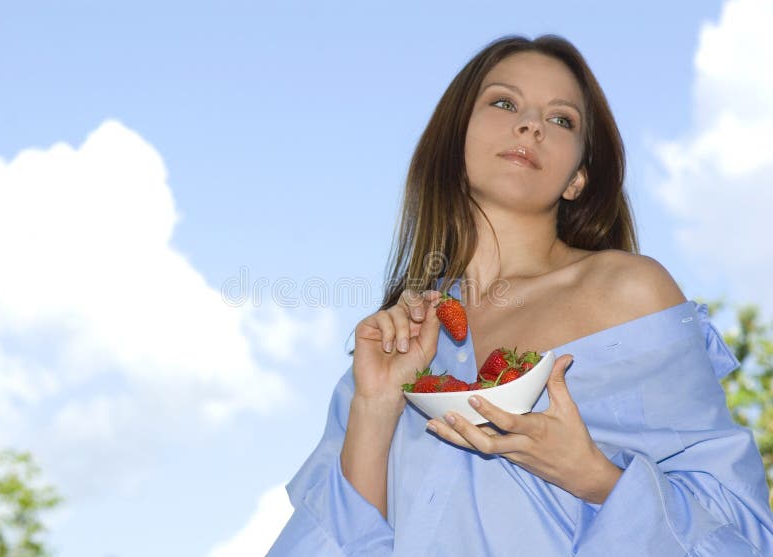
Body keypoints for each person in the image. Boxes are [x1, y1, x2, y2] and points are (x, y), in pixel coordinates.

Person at [268, 34, 773, 556]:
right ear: (454, 141)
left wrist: (597, 478)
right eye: (504, 103)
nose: (530, 124)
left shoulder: (629, 293)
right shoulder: (395, 343)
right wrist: (375, 407)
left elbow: (743, 535)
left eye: (561, 119)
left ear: (578, 177)